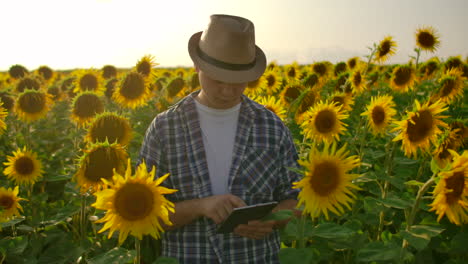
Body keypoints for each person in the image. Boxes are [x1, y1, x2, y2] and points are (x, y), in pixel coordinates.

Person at [139, 14, 301, 264]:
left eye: (238, 82)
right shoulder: (165, 128)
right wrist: (200, 207)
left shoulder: (271, 127)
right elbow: (146, 213)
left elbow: (295, 196)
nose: (227, 91)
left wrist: (274, 217)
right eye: (217, 79)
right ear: (197, 66)